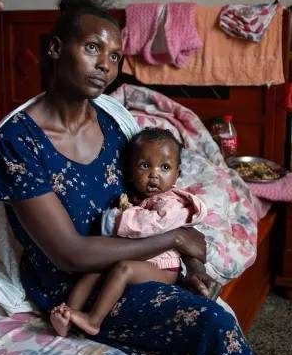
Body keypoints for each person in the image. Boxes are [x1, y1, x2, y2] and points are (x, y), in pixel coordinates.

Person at [0, 0, 274, 355]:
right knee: (213, 325)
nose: (105, 64)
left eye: (115, 56)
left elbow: (148, 202)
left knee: (206, 313)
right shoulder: (18, 142)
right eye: (92, 47)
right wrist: (176, 239)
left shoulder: (113, 122)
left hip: (133, 265)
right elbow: (69, 254)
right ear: (55, 49)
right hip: (77, 284)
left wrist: (190, 264)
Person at [49, 127, 207, 337]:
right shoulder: (137, 199)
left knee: (123, 269)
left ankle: (94, 320)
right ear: (131, 171)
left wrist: (117, 219)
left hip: (164, 268)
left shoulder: (172, 202)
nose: (154, 174)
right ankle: (67, 315)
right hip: (139, 256)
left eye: (165, 167)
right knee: (93, 269)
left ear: (177, 174)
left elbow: (150, 225)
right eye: (145, 166)